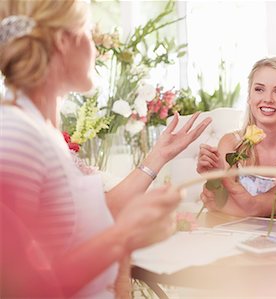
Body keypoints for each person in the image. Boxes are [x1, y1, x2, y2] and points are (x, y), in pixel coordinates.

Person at [0, 1, 211, 298]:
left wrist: (159, 156)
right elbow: (16, 286)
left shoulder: (42, 131)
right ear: (63, 42)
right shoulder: (16, 134)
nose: (97, 49)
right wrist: (124, 236)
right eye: (87, 31)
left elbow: (90, 217)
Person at [196, 57, 276, 217]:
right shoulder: (232, 144)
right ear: (249, 97)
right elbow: (215, 202)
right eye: (259, 89)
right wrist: (214, 177)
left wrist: (248, 208)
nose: (267, 99)